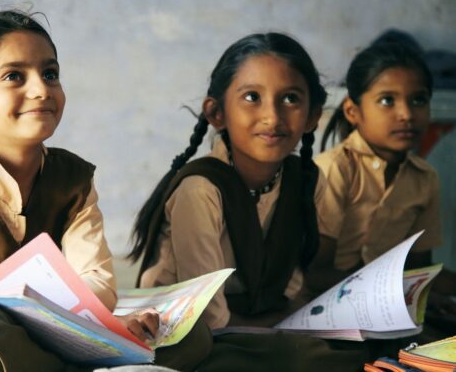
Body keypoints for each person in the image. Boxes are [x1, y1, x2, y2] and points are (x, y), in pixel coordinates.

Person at [0, 10, 210, 372]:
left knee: (188, 334)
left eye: (50, 74)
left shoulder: (73, 178)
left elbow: (97, 283)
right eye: (14, 76)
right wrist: (73, 321)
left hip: (47, 341)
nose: (40, 89)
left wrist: (106, 325)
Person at [129, 33, 375, 370]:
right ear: (217, 113)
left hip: (257, 320)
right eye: (251, 97)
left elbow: (291, 287)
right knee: (302, 358)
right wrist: (286, 328)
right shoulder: (200, 190)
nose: (272, 117)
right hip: (186, 333)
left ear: (313, 115)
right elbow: (210, 318)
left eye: (290, 98)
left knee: (360, 348)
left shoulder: (302, 180)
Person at [306, 42, 456, 323]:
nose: (407, 114)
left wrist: (419, 292)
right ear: (353, 112)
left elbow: (419, 269)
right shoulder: (334, 170)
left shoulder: (424, 178)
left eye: (418, 100)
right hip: (322, 309)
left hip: (387, 307)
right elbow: (314, 275)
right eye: (388, 100)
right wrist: (397, 292)